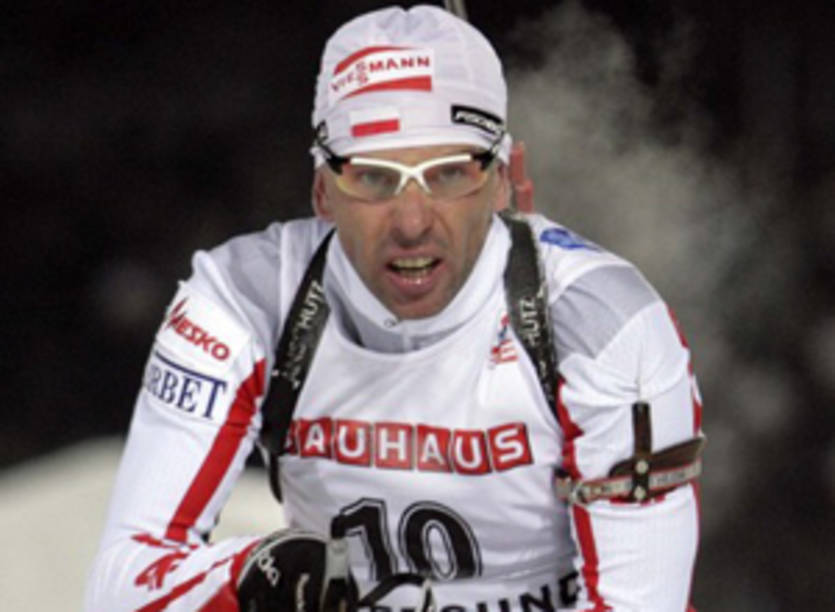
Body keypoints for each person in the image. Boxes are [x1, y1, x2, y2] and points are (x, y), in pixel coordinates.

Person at [85, 5, 705, 611]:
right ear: (322, 191)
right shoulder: (245, 301)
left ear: (501, 182)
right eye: (374, 178)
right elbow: (121, 587)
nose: (411, 223)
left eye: (449, 175)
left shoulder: (602, 325)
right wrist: (251, 576)